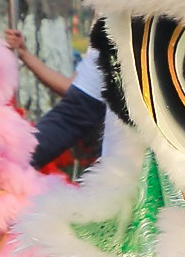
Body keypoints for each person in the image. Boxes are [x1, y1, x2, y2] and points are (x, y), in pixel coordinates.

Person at [8, 24, 109, 178]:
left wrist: (13, 160)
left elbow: (80, 107)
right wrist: (24, 54)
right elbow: (79, 89)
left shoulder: (118, 23)